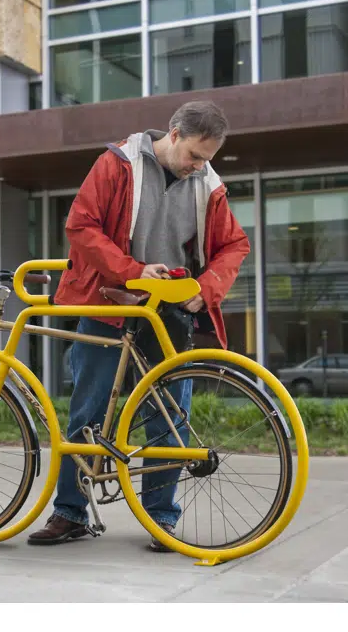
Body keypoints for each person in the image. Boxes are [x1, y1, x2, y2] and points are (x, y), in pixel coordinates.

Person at [27, 100, 250, 550]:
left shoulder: (208, 185)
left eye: (208, 159)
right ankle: (70, 513)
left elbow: (234, 245)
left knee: (169, 418)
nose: (198, 166)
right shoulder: (118, 164)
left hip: (166, 311)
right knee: (88, 414)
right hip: (106, 301)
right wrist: (129, 269)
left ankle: (160, 519)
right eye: (194, 155)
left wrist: (204, 289)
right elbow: (81, 226)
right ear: (173, 133)